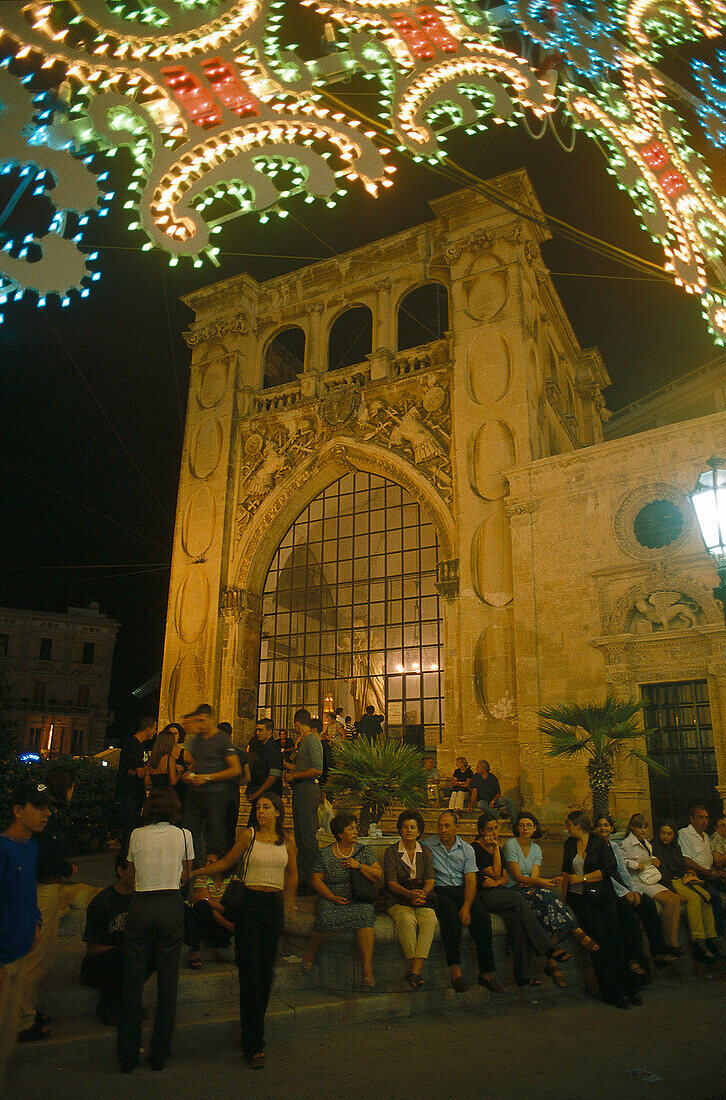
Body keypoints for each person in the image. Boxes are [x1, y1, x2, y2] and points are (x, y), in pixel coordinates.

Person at [192, 793, 297, 1067]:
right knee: (249, 972)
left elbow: (293, 872)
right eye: (257, 807)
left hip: (273, 907)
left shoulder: (287, 839)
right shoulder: (248, 835)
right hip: (250, 905)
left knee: (265, 974)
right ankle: (254, 1042)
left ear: (277, 811)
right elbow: (227, 863)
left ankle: (253, 1029)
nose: (260, 811)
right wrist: (194, 874)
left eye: (266, 807)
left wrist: (291, 902)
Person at [117, 788, 194, 1074]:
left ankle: (127, 1054)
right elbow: (187, 873)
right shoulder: (184, 835)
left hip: (142, 902)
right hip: (171, 904)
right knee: (168, 981)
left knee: (133, 980)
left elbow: (131, 869)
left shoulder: (137, 834)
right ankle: (160, 1053)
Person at [17, 765, 79, 1043]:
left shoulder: (48, 817)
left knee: (43, 954)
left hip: (47, 887)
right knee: (35, 956)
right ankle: (21, 1019)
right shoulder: (47, 820)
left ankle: (26, 1011)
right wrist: (66, 868)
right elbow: (44, 857)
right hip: (43, 889)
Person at [474, 814, 564, 989]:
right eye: (489, 829)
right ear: (481, 831)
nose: (494, 833)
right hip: (484, 895)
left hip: (498, 891)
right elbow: (494, 872)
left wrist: (498, 880)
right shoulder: (476, 848)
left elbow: (504, 877)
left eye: (496, 828)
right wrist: (497, 873)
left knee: (516, 922)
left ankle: (522, 975)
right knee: (517, 898)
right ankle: (548, 947)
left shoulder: (498, 848)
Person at [0, 779, 51, 1087]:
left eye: (48, 807)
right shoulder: (3, 848)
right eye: (40, 807)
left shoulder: (31, 846)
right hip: (4, 959)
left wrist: (35, 923)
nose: (47, 814)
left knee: (7, 1034)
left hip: (21, 950)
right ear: (19, 810)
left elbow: (27, 891)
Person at [562, 810, 639, 1009]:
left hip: (603, 896)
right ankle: (611, 991)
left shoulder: (598, 843)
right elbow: (566, 872)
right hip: (582, 899)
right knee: (600, 941)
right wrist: (565, 898)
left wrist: (583, 878)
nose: (567, 828)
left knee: (616, 939)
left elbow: (607, 870)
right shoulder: (569, 845)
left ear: (578, 825)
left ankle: (629, 987)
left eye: (569, 824)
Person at [423, 810, 502, 994]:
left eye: (447, 826)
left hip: (461, 888)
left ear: (457, 828)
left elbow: (471, 879)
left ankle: (486, 973)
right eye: (440, 825)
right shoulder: (428, 845)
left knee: (482, 917)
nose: (442, 829)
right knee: (450, 919)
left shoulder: (466, 849)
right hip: (441, 890)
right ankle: (455, 972)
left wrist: (467, 907)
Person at [302, 810, 382, 988]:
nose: (355, 832)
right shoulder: (326, 854)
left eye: (355, 828)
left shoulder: (363, 851)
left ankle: (367, 969)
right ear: (340, 834)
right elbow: (316, 880)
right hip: (330, 897)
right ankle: (310, 952)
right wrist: (331, 897)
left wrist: (359, 865)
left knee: (366, 916)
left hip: (357, 897)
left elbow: (378, 873)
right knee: (326, 918)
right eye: (350, 829)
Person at [502, 811, 595, 956]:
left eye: (529, 825)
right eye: (522, 825)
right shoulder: (511, 844)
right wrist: (541, 883)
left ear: (534, 828)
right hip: (513, 889)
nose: (525, 828)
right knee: (545, 894)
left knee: (541, 909)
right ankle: (575, 930)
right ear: (517, 828)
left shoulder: (536, 849)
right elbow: (518, 876)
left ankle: (552, 958)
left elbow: (534, 876)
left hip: (529, 888)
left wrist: (549, 881)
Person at [593, 814, 674, 978]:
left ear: (611, 828)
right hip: (607, 889)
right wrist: (626, 893)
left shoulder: (614, 847)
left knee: (648, 904)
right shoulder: (594, 848)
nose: (603, 828)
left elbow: (622, 871)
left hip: (623, 887)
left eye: (606, 825)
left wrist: (633, 890)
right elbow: (605, 875)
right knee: (626, 913)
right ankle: (632, 959)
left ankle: (657, 951)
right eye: (600, 825)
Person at [380, 810, 437, 987]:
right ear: (400, 830)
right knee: (406, 919)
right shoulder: (391, 852)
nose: (409, 830)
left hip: (419, 895)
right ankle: (416, 970)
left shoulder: (425, 852)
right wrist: (409, 894)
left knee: (429, 919)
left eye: (413, 827)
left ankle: (414, 971)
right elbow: (391, 883)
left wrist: (423, 893)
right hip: (397, 896)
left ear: (419, 831)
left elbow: (430, 879)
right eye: (405, 827)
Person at [80, 853, 138, 1024]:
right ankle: (108, 1009)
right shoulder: (102, 902)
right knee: (121, 956)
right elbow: (93, 949)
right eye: (133, 871)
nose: (137, 876)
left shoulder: (138, 900)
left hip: (129, 958)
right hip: (100, 964)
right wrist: (123, 950)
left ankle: (130, 1004)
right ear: (120, 870)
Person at [182, 704, 241, 866]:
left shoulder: (221, 739)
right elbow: (198, 762)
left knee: (216, 836)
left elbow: (235, 769)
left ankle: (219, 870)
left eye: (202, 721)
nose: (200, 725)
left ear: (212, 719)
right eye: (197, 721)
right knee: (189, 832)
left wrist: (208, 777)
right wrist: (190, 774)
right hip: (196, 793)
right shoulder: (197, 739)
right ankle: (195, 868)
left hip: (216, 794)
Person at [653, 820, 720, 963]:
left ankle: (711, 936)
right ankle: (698, 940)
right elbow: (663, 872)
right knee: (694, 898)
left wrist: (687, 872)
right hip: (670, 882)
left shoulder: (675, 847)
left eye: (669, 834)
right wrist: (673, 891)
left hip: (682, 878)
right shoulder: (657, 848)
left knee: (706, 895)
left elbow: (680, 865)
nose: (665, 836)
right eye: (663, 833)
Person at [619, 813, 683, 955]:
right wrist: (635, 865)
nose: (643, 831)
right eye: (640, 827)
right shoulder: (625, 844)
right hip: (638, 881)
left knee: (675, 900)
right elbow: (621, 861)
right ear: (632, 828)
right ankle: (668, 942)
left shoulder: (647, 843)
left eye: (645, 827)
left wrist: (653, 859)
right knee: (667, 901)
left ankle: (673, 940)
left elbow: (646, 857)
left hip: (649, 878)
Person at [284, 708, 323, 895]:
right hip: (300, 791)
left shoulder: (312, 740)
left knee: (308, 837)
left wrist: (295, 775)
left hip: (308, 791)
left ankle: (312, 879)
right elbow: (300, 766)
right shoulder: (304, 741)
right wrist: (287, 768)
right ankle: (302, 877)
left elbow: (317, 769)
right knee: (301, 836)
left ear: (297, 723)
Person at [678, 805, 726, 935]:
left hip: (709, 874)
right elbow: (686, 860)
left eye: (706, 818)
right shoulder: (685, 833)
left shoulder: (705, 836)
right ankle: (718, 936)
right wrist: (710, 873)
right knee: (715, 897)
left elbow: (709, 862)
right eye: (700, 817)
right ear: (692, 819)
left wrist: (717, 872)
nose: (704, 820)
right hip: (697, 876)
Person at [184, 851, 234, 969]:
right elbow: (200, 901)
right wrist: (216, 907)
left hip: (221, 926)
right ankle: (194, 950)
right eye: (206, 861)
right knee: (198, 908)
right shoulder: (202, 878)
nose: (206, 865)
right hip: (207, 922)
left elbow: (228, 909)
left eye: (211, 862)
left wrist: (208, 901)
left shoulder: (232, 880)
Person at [116, 716, 157, 846]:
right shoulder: (134, 746)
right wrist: (145, 769)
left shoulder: (138, 746)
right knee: (131, 828)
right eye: (154, 729)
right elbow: (140, 772)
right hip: (130, 793)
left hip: (132, 793)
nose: (155, 732)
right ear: (148, 728)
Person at [245, 718, 283, 826]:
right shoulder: (263, 747)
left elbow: (274, 775)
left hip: (268, 796)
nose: (257, 733)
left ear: (269, 731)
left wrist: (258, 792)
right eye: (256, 730)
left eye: (260, 730)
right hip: (261, 794)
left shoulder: (273, 749)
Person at [218, 721, 245, 852]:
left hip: (218, 794)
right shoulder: (240, 753)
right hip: (234, 794)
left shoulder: (216, 753)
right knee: (230, 829)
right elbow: (247, 777)